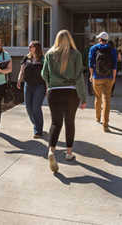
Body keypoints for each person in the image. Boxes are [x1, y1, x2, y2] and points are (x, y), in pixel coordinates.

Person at [41, 29, 87, 173]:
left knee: (55, 122)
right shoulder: (76, 54)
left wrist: (51, 85)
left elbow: (43, 73)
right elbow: (79, 77)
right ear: (70, 40)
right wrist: (83, 98)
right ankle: (68, 153)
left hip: (54, 92)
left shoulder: (49, 54)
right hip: (71, 92)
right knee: (69, 121)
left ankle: (51, 151)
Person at [88, 31, 117, 132]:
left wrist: (91, 75)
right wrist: (113, 77)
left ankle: (97, 117)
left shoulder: (93, 48)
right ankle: (105, 124)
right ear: (107, 40)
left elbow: (90, 63)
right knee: (107, 100)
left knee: (98, 97)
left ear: (99, 39)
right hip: (108, 77)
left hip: (97, 77)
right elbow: (114, 65)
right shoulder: (112, 50)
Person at [16, 41, 46, 138]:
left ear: (36, 47)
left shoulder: (43, 59)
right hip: (28, 85)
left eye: (31, 46)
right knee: (28, 108)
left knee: (36, 107)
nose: (29, 48)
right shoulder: (26, 58)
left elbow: (47, 73)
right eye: (29, 46)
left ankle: (38, 130)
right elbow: (22, 70)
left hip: (40, 86)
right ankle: (36, 124)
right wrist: (19, 80)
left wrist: (49, 86)